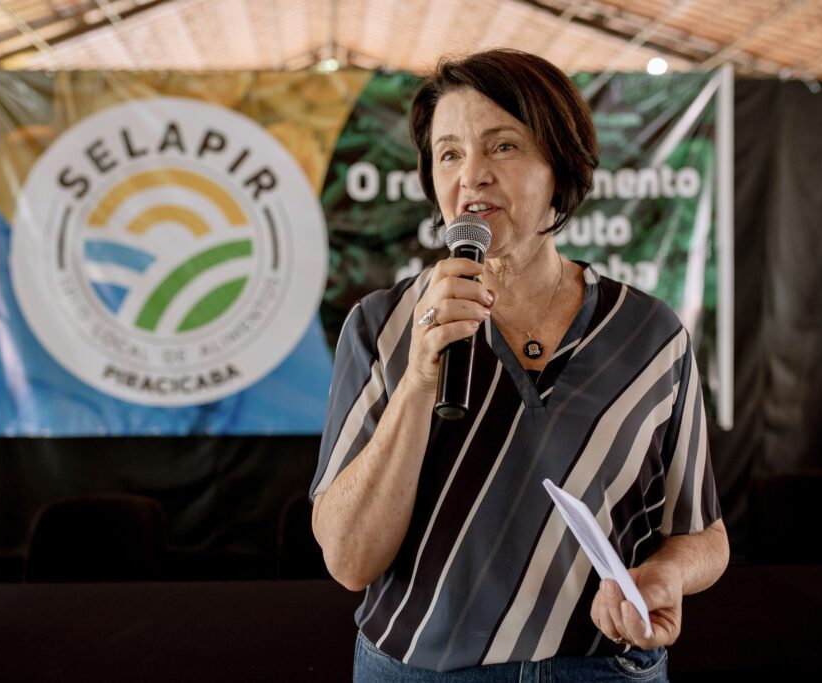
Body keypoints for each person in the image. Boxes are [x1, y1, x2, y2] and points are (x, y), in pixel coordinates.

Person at [310, 48, 728, 682]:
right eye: (449, 154)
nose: (472, 176)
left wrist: (664, 576)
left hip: (603, 670)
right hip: (422, 671)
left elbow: (703, 535)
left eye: (502, 146)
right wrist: (419, 379)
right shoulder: (381, 326)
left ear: (560, 166)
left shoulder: (649, 333)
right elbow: (348, 562)